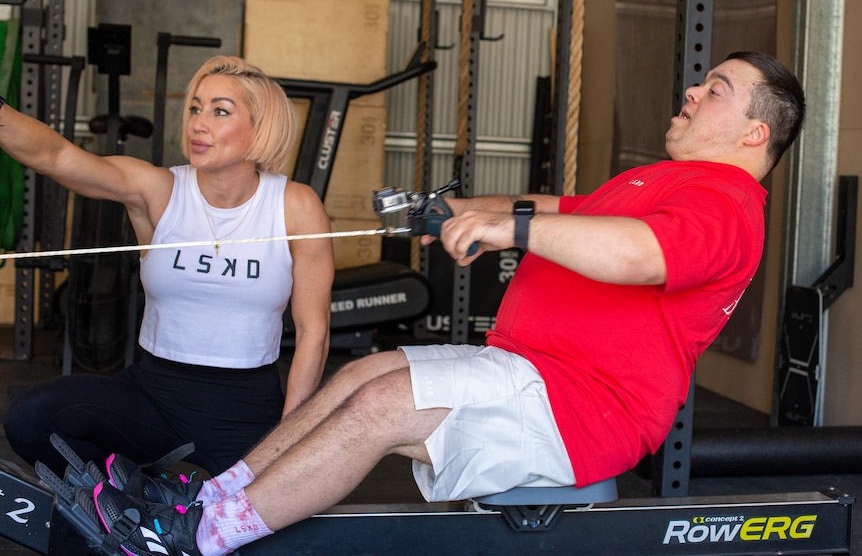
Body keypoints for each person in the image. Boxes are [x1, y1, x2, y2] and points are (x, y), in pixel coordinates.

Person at [68, 50, 804, 556]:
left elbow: (640, 254)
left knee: (383, 404)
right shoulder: (659, 182)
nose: (692, 93)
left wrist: (507, 228)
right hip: (529, 367)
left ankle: (192, 537)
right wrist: (444, 211)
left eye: (714, 90)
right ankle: (207, 498)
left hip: (579, 404)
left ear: (755, 131)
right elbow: (559, 204)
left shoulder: (727, 202)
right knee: (362, 374)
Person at [0, 56, 334, 477]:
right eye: (195, 108)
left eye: (220, 111)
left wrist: (291, 435)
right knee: (30, 418)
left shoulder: (295, 206)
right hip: (152, 394)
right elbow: (57, 156)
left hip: (243, 407)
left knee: (252, 533)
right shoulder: (158, 190)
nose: (198, 123)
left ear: (260, 127)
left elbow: (314, 332)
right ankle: (125, 506)